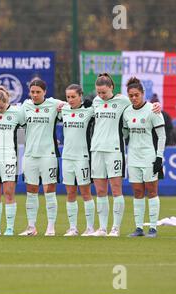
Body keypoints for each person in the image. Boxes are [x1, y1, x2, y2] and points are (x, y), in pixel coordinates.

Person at [90, 73, 161, 237]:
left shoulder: (123, 101)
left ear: (112, 88)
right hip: (96, 150)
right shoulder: (95, 102)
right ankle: (102, 228)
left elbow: (141, 104)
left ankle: (115, 228)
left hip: (115, 150)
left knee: (116, 190)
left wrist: (157, 105)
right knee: (100, 191)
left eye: (104, 92)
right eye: (98, 92)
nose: (101, 96)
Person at [18, 79, 64, 237]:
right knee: (31, 191)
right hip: (30, 155)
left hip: (48, 155)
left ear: (45, 92)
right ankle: (31, 227)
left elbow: (72, 104)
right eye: (32, 92)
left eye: (38, 92)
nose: (35, 95)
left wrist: (62, 106)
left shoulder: (53, 104)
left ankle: (51, 227)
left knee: (49, 191)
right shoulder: (25, 106)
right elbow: (17, 121)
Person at [123, 78, 166, 238]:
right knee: (137, 191)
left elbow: (162, 136)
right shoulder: (127, 111)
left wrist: (159, 157)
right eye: (131, 95)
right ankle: (139, 228)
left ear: (142, 94)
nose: (134, 98)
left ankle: (153, 228)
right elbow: (125, 134)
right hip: (133, 157)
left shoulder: (153, 110)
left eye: (136, 95)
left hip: (149, 156)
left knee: (152, 191)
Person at [0, 86, 26, 235]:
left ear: (6, 100)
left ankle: (9, 228)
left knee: (8, 193)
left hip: (9, 157)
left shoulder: (17, 112)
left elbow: (27, 128)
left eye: (1, 106)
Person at [60, 84, 96, 236]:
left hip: (83, 157)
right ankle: (73, 228)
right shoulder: (64, 110)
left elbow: (103, 105)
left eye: (73, 96)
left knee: (86, 193)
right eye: (68, 97)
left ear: (80, 96)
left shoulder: (89, 110)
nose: (70, 100)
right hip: (67, 157)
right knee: (70, 194)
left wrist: (91, 103)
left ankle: (89, 228)